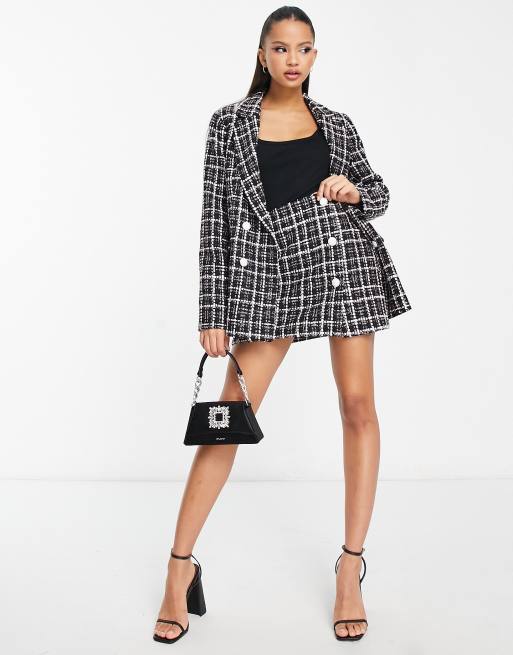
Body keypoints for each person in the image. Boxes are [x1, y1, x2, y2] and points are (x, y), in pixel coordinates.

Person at [154, 6, 412, 644]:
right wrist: (213, 312)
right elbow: (215, 219)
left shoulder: (338, 124)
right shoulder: (229, 124)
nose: (292, 59)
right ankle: (179, 568)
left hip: (344, 266)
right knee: (230, 417)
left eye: (304, 48)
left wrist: (353, 190)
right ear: (263, 54)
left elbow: (379, 194)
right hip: (269, 278)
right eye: (281, 48)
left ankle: (350, 568)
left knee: (359, 408)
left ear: (315, 56)